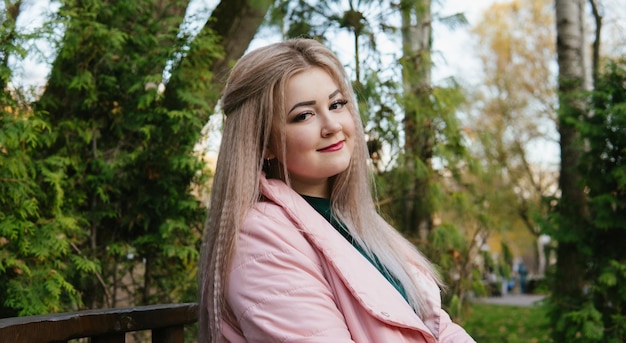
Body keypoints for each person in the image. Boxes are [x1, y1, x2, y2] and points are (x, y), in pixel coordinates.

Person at [199, 38, 474, 343]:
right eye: (304, 115)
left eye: (336, 104)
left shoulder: (351, 220)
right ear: (264, 144)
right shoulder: (258, 236)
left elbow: (437, 328)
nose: (332, 125)